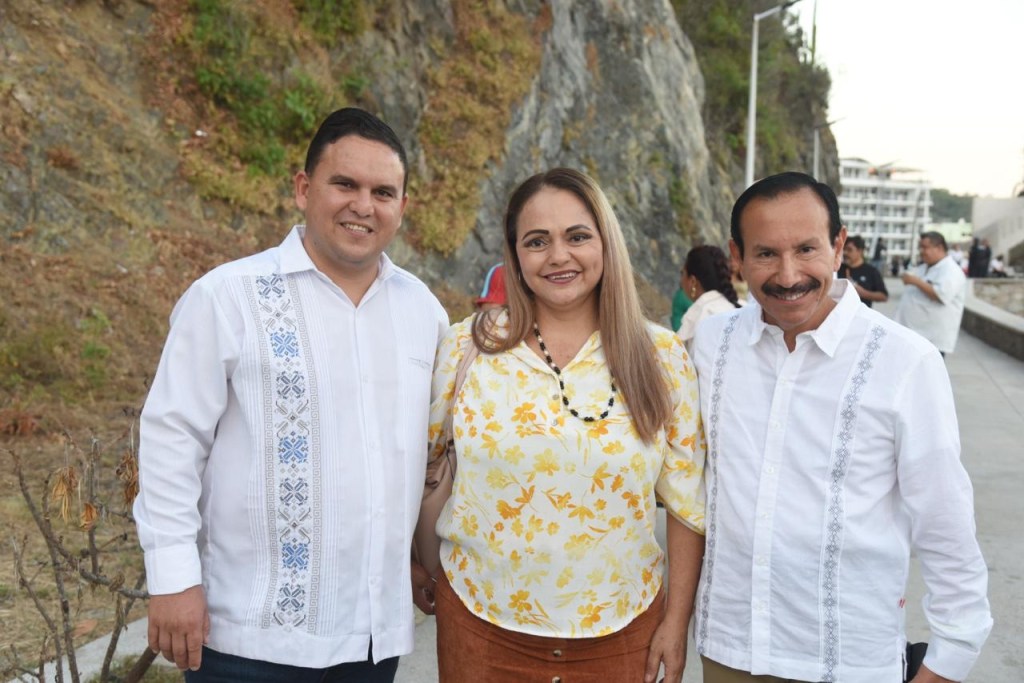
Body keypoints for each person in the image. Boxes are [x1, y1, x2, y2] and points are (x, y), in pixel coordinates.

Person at [134, 108, 449, 681]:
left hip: (372, 639)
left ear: (402, 206)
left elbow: (422, 455)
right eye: (345, 184)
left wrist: (414, 557)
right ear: (304, 189)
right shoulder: (227, 298)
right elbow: (171, 440)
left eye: (383, 192)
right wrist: (173, 579)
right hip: (246, 637)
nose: (363, 205)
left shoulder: (422, 312)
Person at [690, 172, 991, 682]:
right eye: (766, 254)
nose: (788, 275)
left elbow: (945, 519)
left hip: (849, 660)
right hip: (729, 650)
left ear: (838, 246)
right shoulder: (711, 344)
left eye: (806, 249)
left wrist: (950, 657)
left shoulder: (905, 361)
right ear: (737, 256)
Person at [415, 168, 706, 683]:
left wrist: (675, 622)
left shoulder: (661, 356)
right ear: (515, 255)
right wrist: (415, 562)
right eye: (536, 241)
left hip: (622, 633)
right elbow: (423, 463)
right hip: (480, 629)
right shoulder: (468, 348)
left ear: (605, 243)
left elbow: (686, 503)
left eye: (577, 236)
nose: (558, 256)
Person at [895, 231, 967, 356]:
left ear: (939, 248)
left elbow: (941, 295)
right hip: (914, 335)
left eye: (925, 247)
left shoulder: (951, 270)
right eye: (920, 248)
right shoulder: (924, 267)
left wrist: (915, 281)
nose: (921, 251)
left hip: (932, 340)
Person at [677, 244, 742, 349]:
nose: (681, 280)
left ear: (693, 281)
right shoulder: (742, 306)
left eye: (682, 273)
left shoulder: (701, 316)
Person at [838, 234, 888, 307]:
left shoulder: (871, 271)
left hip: (861, 312)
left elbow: (884, 296)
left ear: (860, 251)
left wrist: (863, 293)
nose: (845, 253)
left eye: (849, 250)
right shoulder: (838, 268)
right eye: (844, 249)